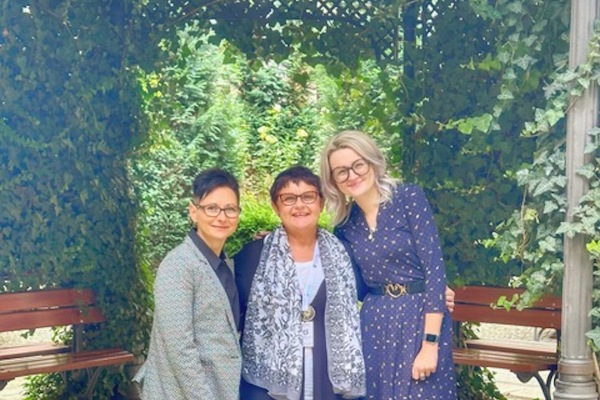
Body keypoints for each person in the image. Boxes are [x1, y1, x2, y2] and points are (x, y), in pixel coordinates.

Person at [319, 130, 457, 399]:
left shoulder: (408, 198)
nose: (352, 175)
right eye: (341, 171)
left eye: (358, 164)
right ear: (333, 181)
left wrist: (431, 344)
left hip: (420, 316)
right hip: (375, 323)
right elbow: (353, 288)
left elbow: (434, 268)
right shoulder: (345, 226)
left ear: (372, 162)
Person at [235, 166, 366, 400]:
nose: (299, 205)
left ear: (321, 203)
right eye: (289, 199)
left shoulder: (343, 254)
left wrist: (431, 294)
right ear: (275, 206)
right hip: (269, 384)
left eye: (308, 197)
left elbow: (372, 289)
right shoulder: (253, 256)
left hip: (328, 375)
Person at [134, 169, 242, 400]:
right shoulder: (179, 265)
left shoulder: (224, 264)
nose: (221, 217)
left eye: (230, 209)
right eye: (211, 208)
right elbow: (179, 349)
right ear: (194, 212)